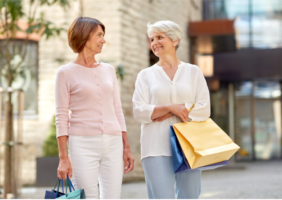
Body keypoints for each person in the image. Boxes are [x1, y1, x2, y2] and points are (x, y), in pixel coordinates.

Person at [55, 17, 134, 199]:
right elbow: (61, 116)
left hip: (113, 143)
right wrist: (63, 158)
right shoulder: (65, 72)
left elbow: (117, 109)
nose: (103, 40)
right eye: (99, 35)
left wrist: (126, 147)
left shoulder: (109, 70)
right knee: (87, 196)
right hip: (82, 144)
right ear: (84, 36)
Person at [132, 20, 210, 199]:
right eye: (152, 39)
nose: (154, 43)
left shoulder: (193, 72)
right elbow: (138, 111)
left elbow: (204, 109)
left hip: (189, 146)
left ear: (175, 40)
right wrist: (169, 107)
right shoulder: (145, 75)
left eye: (160, 37)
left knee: (189, 196)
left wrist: (168, 112)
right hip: (155, 147)